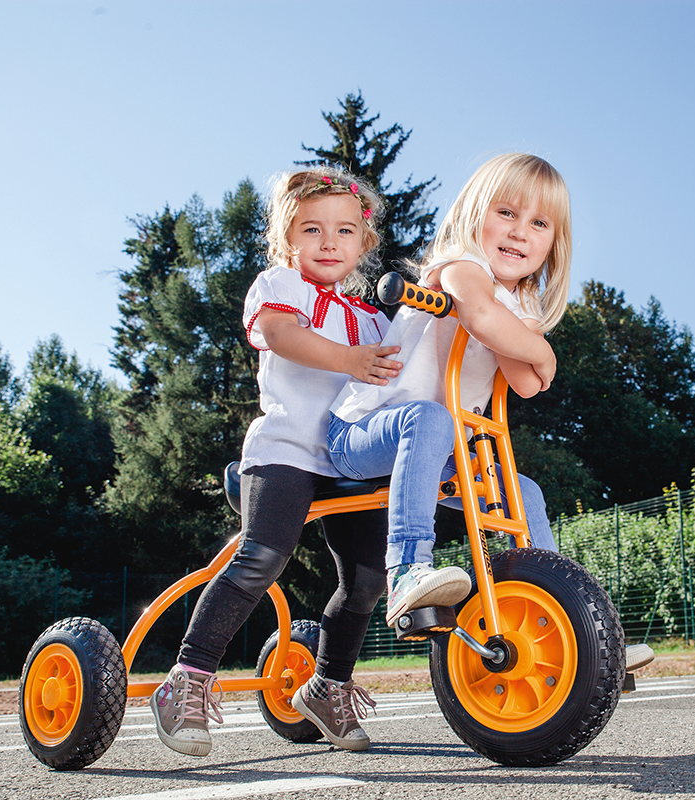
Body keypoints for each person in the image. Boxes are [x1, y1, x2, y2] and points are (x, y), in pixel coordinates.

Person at [150, 166, 401, 757]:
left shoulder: (374, 319)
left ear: (364, 241)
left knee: (368, 580)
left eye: (344, 230)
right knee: (261, 558)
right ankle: (188, 677)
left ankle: (327, 686)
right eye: (312, 229)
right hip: (284, 450)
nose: (329, 241)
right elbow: (283, 335)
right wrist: (352, 360)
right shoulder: (281, 285)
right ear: (288, 238)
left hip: (347, 459)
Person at [327, 153, 568, 629]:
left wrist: (529, 345)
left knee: (524, 492)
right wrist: (543, 352)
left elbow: (525, 383)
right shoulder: (460, 266)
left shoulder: (520, 301)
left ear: (553, 244)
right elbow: (482, 318)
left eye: (539, 223)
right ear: (474, 215)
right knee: (430, 418)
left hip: (439, 448)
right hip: (360, 432)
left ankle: (561, 612)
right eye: (506, 213)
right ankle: (407, 568)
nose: (520, 232)